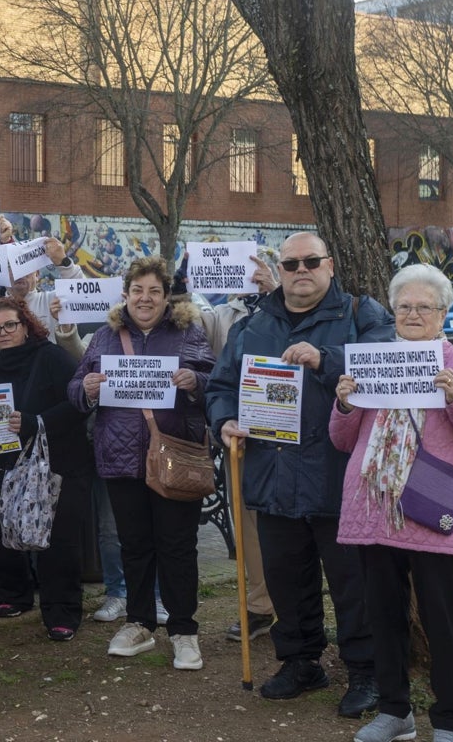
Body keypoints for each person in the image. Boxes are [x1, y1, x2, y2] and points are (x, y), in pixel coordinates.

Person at [207, 231, 393, 717]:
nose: (301, 271)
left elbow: (386, 368)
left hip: (341, 478)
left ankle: (366, 672)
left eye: (311, 261)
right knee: (287, 580)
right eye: (291, 264)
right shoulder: (253, 325)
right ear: (281, 271)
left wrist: (326, 360)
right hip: (273, 477)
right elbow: (222, 385)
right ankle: (300, 661)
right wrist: (224, 418)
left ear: (329, 266)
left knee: (355, 585)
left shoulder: (361, 314)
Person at [331, 264, 453, 742]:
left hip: (432, 509)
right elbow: (343, 440)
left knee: (443, 620)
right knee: (382, 616)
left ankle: (450, 718)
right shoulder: (373, 360)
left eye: (422, 306)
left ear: (443, 313)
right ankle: (395, 712)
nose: (412, 313)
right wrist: (344, 403)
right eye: (403, 306)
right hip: (374, 507)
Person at [68, 256, 214, 670]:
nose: (145, 299)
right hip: (121, 459)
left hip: (173, 457)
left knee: (178, 547)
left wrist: (194, 383)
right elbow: (75, 388)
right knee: (134, 546)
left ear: (167, 297)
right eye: (137, 290)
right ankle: (139, 623)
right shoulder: (104, 337)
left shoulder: (189, 334)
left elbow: (214, 382)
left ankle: (184, 630)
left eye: (154, 291)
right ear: (126, 294)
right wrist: (89, 388)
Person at [172, 251, 278, 642]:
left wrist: (275, 294)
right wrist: (182, 283)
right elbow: (191, 324)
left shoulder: (293, 301)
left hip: (295, 438)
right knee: (249, 527)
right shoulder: (223, 314)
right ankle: (260, 605)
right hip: (245, 436)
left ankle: (298, 607)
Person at [0, 297, 95, 641]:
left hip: (61, 464)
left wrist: (38, 422)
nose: (3, 333)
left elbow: (79, 403)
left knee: (59, 541)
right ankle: (15, 596)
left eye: (10, 325)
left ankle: (62, 612)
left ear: (26, 326)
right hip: (12, 464)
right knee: (7, 531)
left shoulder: (49, 356)